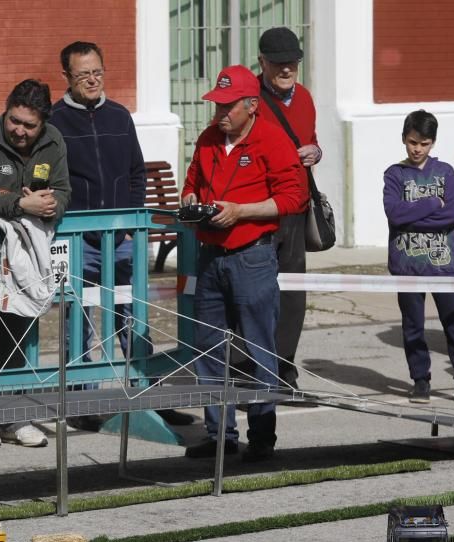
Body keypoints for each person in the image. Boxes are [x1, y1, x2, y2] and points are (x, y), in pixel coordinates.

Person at [49, 40, 195, 430]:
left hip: (122, 240)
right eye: (83, 75)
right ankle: (83, 404)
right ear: (66, 76)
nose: (93, 80)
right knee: (78, 319)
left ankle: (148, 395)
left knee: (133, 317)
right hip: (78, 240)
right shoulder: (54, 121)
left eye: (98, 72)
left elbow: (135, 173)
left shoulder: (119, 116)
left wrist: (131, 225)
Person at [180, 65, 307, 462]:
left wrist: (242, 212)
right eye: (217, 104)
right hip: (211, 257)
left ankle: (262, 436)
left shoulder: (273, 139)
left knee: (258, 347)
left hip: (253, 256)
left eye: (227, 105)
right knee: (208, 347)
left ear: (251, 105)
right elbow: (191, 181)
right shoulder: (208, 139)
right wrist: (189, 201)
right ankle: (220, 434)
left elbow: (293, 198)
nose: (220, 113)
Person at [0, 79, 71, 447]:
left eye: (29, 125)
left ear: (43, 123)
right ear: (6, 110)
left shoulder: (54, 140)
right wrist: (21, 205)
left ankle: (14, 415)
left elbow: (64, 189)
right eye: (14, 121)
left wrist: (53, 204)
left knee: (18, 331)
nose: (20, 131)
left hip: (26, 257)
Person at [383, 110, 454, 405]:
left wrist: (412, 214)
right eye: (413, 142)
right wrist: (431, 202)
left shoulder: (446, 174)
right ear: (404, 139)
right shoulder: (394, 175)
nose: (418, 149)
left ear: (433, 143)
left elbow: (450, 216)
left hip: (443, 264)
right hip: (407, 264)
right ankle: (420, 381)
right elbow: (394, 213)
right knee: (413, 324)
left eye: (424, 143)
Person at [253, 26, 320, 391]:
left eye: (292, 62)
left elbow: (312, 140)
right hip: (260, 210)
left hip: (296, 209)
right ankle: (253, 369)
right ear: (262, 61)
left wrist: (315, 152)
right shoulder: (250, 99)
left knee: (293, 295)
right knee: (257, 296)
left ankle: (284, 368)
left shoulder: (306, 98)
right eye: (278, 63)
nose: (286, 69)